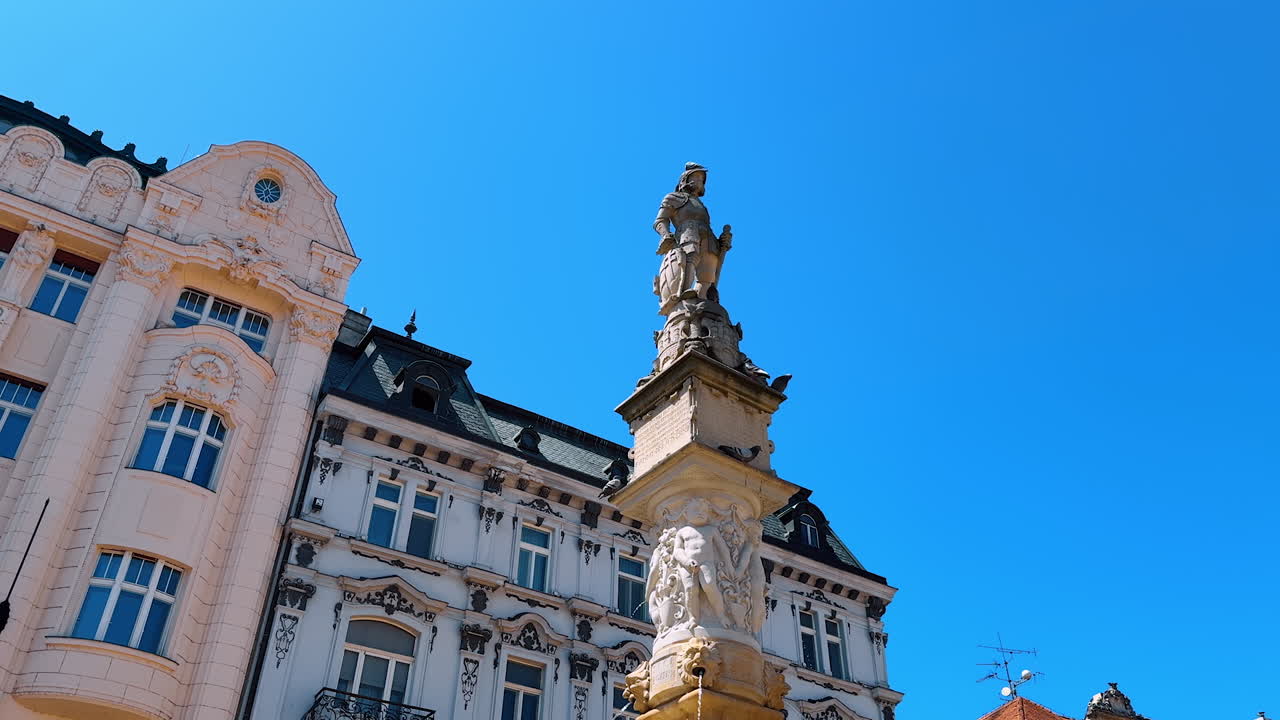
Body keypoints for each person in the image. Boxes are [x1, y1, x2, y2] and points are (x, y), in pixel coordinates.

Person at [653, 163, 732, 312]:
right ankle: (683, 293)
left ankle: (704, 301)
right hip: (688, 233)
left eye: (701, 179)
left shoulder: (702, 206)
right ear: (685, 180)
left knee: (708, 275)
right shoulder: (673, 198)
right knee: (690, 256)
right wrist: (666, 235)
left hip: (708, 238)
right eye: (696, 177)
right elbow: (659, 221)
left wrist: (722, 242)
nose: (700, 181)